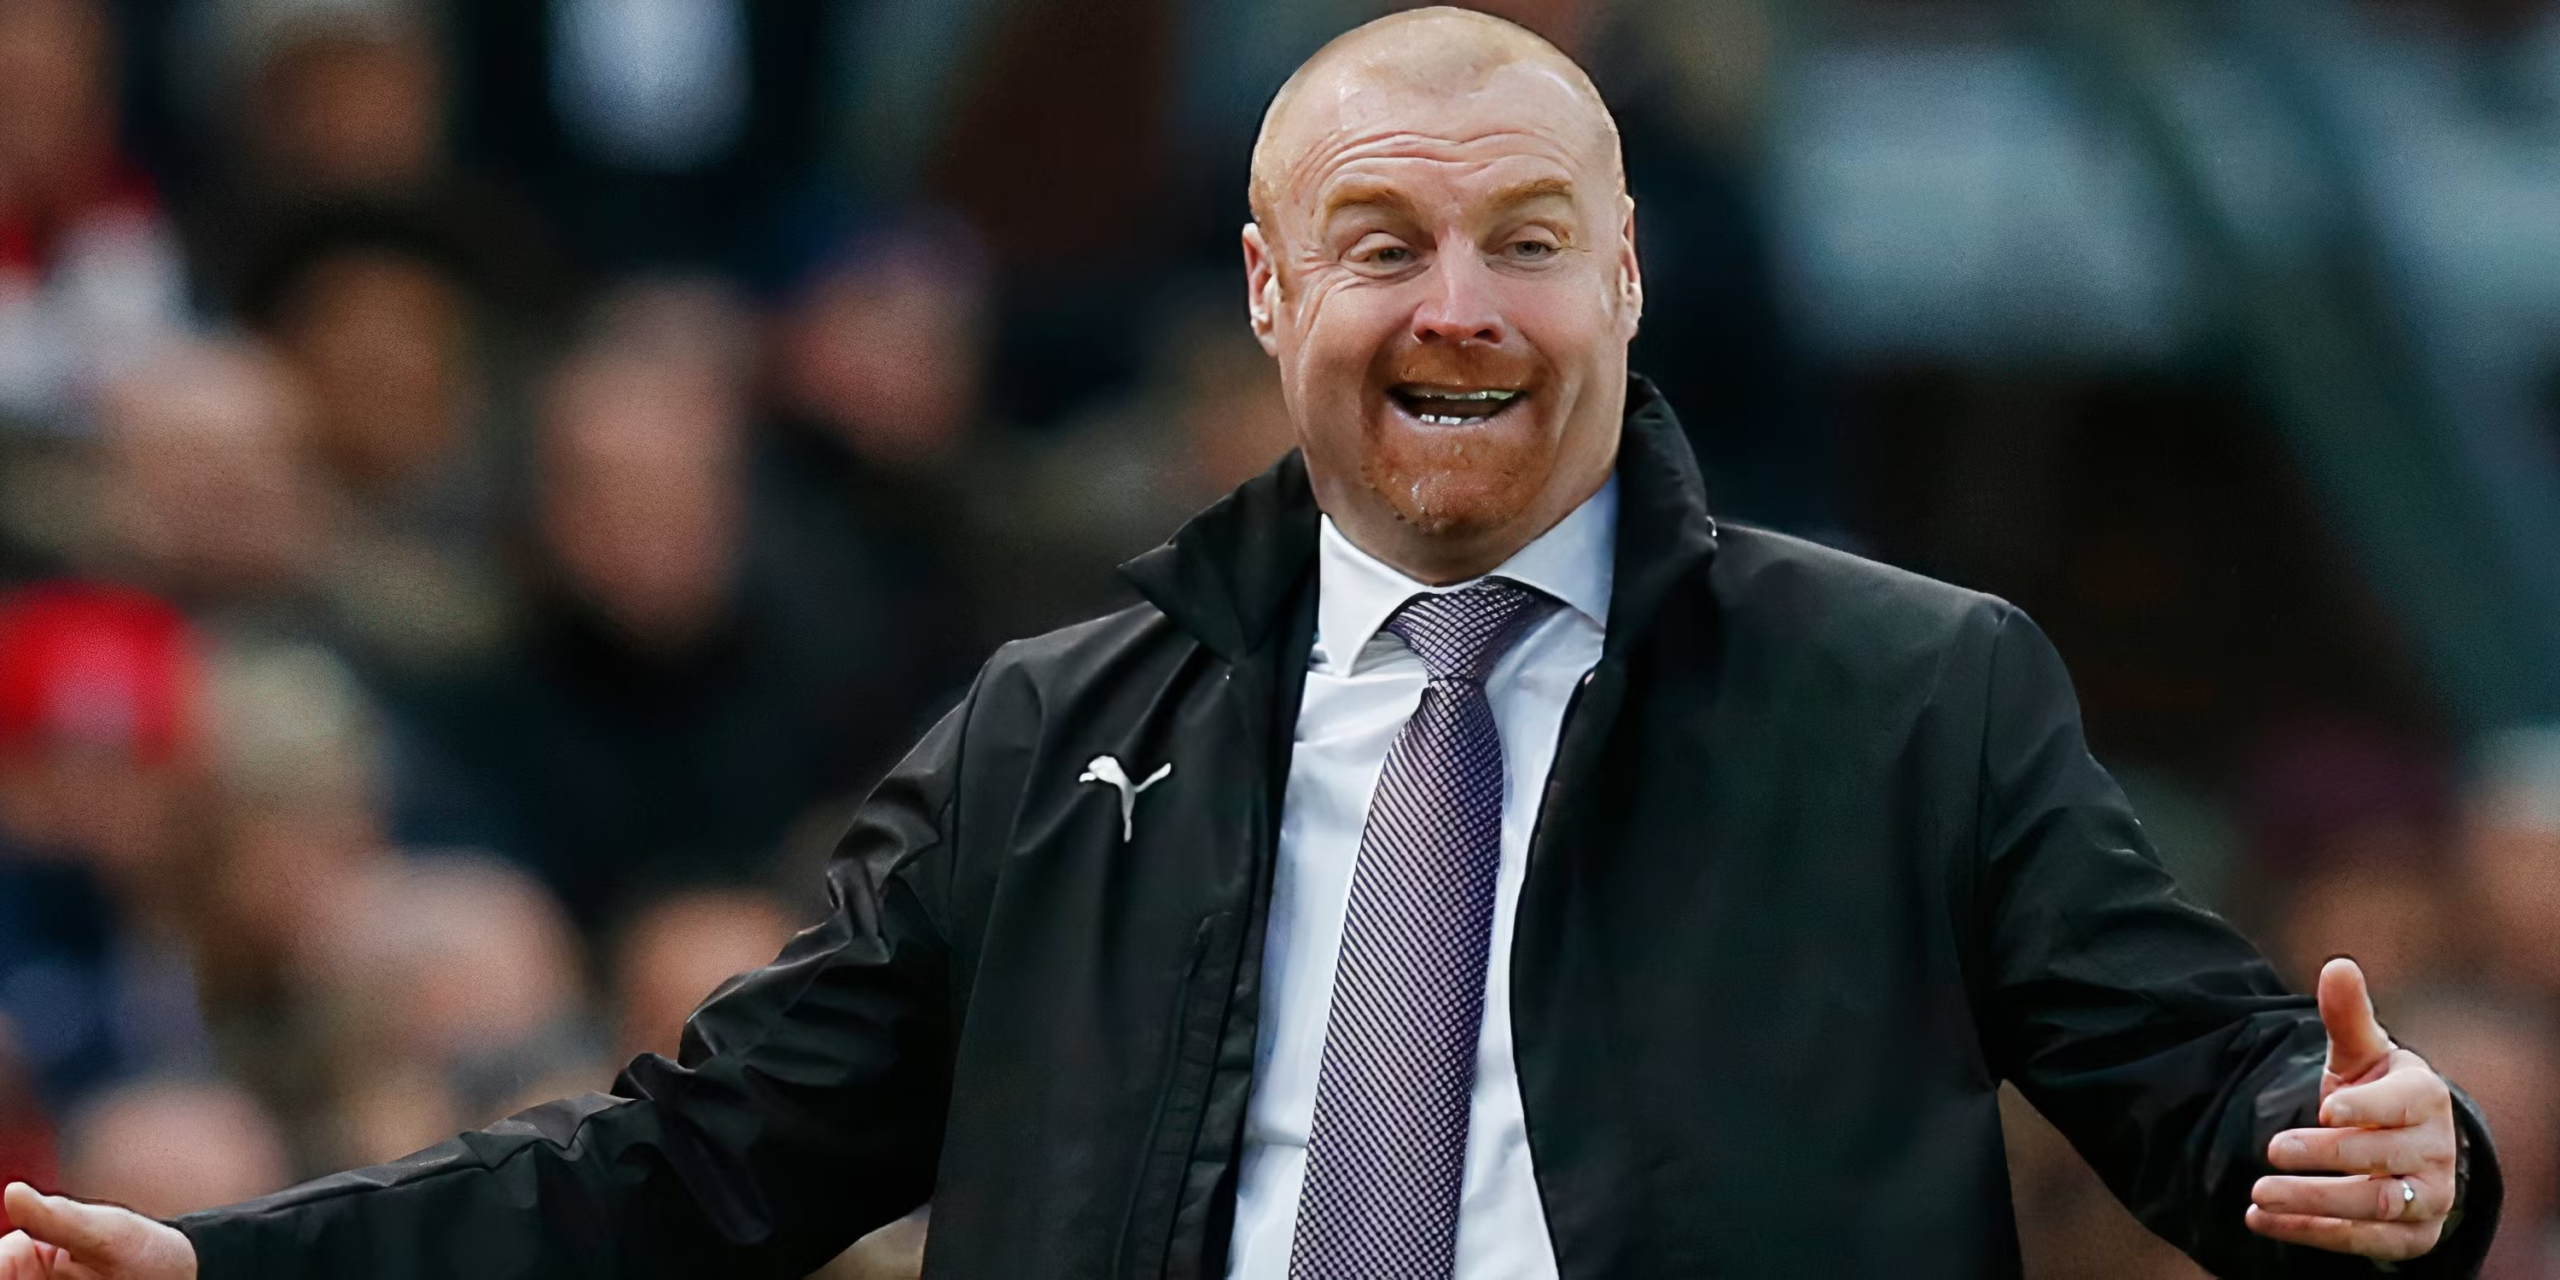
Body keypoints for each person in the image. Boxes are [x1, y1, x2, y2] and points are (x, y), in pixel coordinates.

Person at [0, 8, 2503, 1277]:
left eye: (1528, 242)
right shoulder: (1051, 726)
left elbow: (2215, 1086)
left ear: (1628, 281)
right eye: (1382, 244)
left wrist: (2392, 1162)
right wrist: (241, 1264)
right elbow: (684, 1164)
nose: (1459, 306)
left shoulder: (1910, 690)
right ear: (1268, 293)